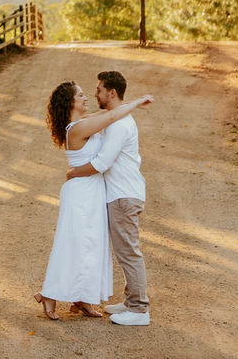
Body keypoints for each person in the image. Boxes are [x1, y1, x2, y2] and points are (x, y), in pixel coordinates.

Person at [35, 81, 153, 320]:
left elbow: (112, 111)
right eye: (81, 95)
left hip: (94, 192)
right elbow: (111, 117)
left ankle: (83, 298)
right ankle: (49, 294)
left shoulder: (85, 122)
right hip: (81, 192)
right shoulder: (76, 128)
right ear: (71, 103)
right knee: (73, 245)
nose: (87, 97)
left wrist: (133, 102)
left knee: (92, 247)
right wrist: (138, 102)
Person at [66, 70, 150, 326]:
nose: (95, 94)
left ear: (111, 93)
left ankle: (139, 309)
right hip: (121, 194)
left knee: (129, 253)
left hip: (123, 196)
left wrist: (73, 173)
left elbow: (102, 162)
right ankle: (130, 300)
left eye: (99, 89)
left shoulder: (119, 124)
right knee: (125, 251)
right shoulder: (115, 119)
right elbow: (95, 119)